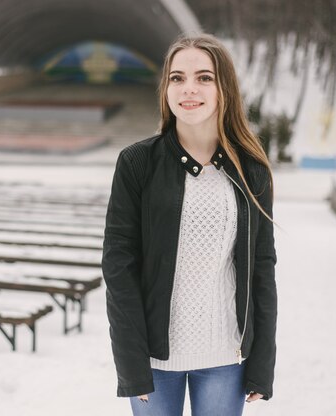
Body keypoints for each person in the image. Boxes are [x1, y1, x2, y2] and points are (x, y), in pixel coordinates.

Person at [102, 33, 277, 416]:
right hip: (153, 360)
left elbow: (261, 269)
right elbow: (118, 267)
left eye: (204, 77)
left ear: (223, 88)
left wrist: (262, 364)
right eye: (177, 78)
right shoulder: (137, 164)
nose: (188, 89)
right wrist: (131, 366)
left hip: (225, 357)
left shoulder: (252, 169)